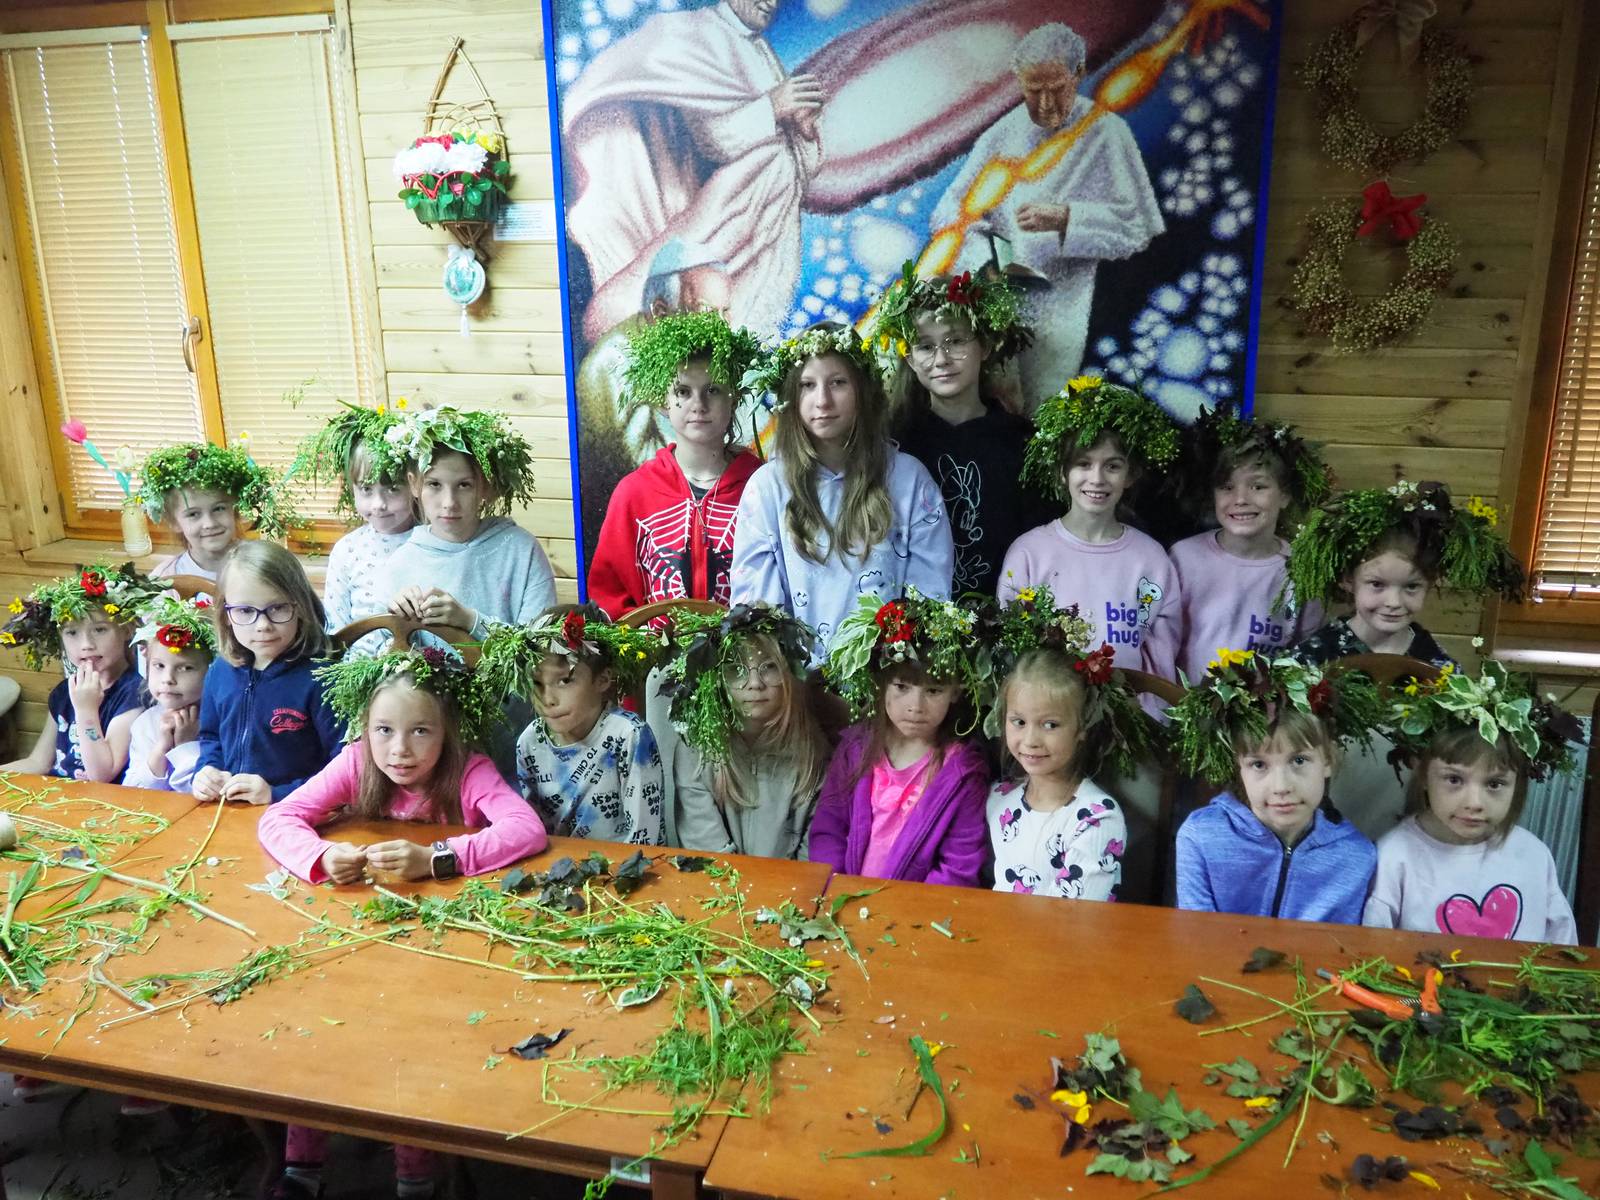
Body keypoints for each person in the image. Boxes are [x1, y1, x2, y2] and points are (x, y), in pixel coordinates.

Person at [259, 649, 546, 1200]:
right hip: (356, 935)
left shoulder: (468, 772)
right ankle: (301, 1168)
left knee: (414, 1044)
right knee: (320, 1026)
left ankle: (415, 1175)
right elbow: (280, 816)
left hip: (439, 943)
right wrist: (321, 856)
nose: (399, 749)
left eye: (420, 731)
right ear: (365, 728)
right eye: (384, 730)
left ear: (448, 731)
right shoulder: (357, 763)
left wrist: (438, 858)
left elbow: (525, 829)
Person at [561, 0, 823, 342]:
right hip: (726, 211)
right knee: (680, 302)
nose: (770, 3)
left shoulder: (760, 49)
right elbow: (712, 141)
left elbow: (799, 163)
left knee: (739, 332)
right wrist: (771, 108)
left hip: (768, 225)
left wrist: (803, 132)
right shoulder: (696, 35)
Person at [931, 22, 1163, 402]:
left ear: (1079, 74)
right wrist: (986, 259)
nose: (1044, 104)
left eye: (1056, 89)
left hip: (1059, 311)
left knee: (1042, 410)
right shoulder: (1004, 132)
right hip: (994, 305)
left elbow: (1137, 228)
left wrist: (1067, 218)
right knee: (993, 407)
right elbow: (951, 213)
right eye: (1033, 90)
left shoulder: (1107, 133)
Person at [731, 323, 954, 659]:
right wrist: (791, 677)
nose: (823, 400)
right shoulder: (767, 488)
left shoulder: (909, 481)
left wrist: (895, 668)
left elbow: (930, 599)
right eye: (808, 385)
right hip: (796, 684)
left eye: (838, 383)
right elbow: (755, 611)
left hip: (889, 678)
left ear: (862, 391)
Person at [1363, 660, 1581, 944]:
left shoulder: (1533, 855)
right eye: (1454, 780)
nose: (1474, 803)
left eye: (1494, 784)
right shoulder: (1394, 857)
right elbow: (1372, 948)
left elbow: (1562, 949)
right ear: (1423, 774)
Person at [1168, 653, 1381, 923]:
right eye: (1259, 764)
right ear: (1239, 767)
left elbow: (1340, 945)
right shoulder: (1200, 837)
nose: (1281, 787)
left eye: (1299, 760)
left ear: (1327, 760)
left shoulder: (1355, 856)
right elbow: (1196, 936)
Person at [997, 376, 1181, 679]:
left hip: (1129, 708)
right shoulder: (1029, 553)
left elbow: (1160, 662)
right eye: (1083, 464)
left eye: (1112, 466)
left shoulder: (1151, 559)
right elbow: (1011, 654)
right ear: (1062, 471)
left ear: (1130, 475)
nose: (1097, 479)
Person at [588, 311, 766, 620]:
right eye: (683, 392)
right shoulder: (634, 494)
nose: (698, 404)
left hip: (744, 648)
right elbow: (609, 598)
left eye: (713, 390)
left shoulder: (762, 487)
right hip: (653, 648)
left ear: (734, 397)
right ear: (663, 400)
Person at [872, 262, 1036, 595]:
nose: (942, 359)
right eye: (925, 346)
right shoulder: (895, 444)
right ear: (909, 358)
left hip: (1006, 616)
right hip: (910, 621)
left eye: (955, 341)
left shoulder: (1020, 442)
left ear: (985, 346)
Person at [807, 590, 988, 886]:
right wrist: (837, 888)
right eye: (902, 687)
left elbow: (958, 865)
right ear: (882, 685)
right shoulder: (856, 749)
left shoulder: (962, 772)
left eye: (933, 691)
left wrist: (906, 908)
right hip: (845, 901)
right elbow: (829, 829)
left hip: (916, 910)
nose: (916, 706)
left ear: (956, 692)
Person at [983, 588, 1153, 900]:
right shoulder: (999, 798)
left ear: (1082, 726)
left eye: (1050, 725)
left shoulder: (1095, 818)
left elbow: (1075, 921)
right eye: (1019, 722)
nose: (1031, 741)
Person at [651, 603, 828, 858]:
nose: (754, 684)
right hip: (718, 879)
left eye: (769, 667)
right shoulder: (696, 751)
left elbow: (812, 858)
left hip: (790, 883)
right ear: (718, 682)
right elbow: (709, 855)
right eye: (736, 669)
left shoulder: (815, 755)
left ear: (789, 675)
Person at [1170, 405, 1331, 684]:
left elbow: (1308, 656)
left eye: (1258, 487)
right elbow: (1162, 644)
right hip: (1185, 704)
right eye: (1227, 487)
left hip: (1267, 709)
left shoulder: (1301, 570)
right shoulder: (1183, 558)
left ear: (1284, 495)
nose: (1241, 499)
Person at [481, 605, 667, 845]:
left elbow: (645, 839)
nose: (548, 699)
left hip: (629, 865)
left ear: (602, 679)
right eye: (537, 683)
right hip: (557, 866)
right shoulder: (530, 741)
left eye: (565, 680)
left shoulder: (630, 736)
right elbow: (534, 832)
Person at [1289, 481, 1523, 667]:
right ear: (1348, 579)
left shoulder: (1435, 662)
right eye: (1377, 584)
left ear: (1430, 582)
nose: (1393, 602)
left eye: (1411, 587)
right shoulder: (1314, 656)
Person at [383, 405, 555, 642]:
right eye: (434, 484)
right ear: (414, 484)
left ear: (484, 486)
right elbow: (381, 650)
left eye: (464, 485)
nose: (449, 503)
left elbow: (543, 644)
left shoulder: (521, 551)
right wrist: (395, 622)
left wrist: (470, 621)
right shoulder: (400, 564)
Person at [191, 542, 342, 805]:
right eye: (245, 611)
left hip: (299, 812)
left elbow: (343, 767)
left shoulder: (322, 679)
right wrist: (207, 771)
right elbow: (211, 737)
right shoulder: (219, 671)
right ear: (226, 614)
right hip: (229, 811)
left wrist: (275, 794)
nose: (263, 625)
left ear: (301, 607)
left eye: (277, 608)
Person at [1, 564, 161, 781]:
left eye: (100, 630)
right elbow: (39, 762)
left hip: (103, 799)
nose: (86, 644)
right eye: (72, 633)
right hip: (59, 794)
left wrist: (86, 710)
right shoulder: (65, 690)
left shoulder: (135, 693)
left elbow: (102, 776)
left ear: (126, 630)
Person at [287, 399, 413, 653]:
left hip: (418, 665)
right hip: (357, 665)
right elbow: (335, 626)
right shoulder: (348, 549)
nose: (379, 504)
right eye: (366, 489)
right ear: (351, 489)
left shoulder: (430, 541)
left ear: (414, 485)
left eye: (392, 489)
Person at [134, 441, 297, 583]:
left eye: (219, 509)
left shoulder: (266, 568)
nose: (209, 523)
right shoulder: (165, 579)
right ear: (174, 522)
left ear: (236, 510)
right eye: (193, 514)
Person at [123, 596, 213, 792]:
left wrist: (185, 745)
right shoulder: (146, 723)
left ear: (211, 670)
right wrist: (162, 747)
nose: (168, 679)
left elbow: (206, 793)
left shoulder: (218, 723)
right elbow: (132, 791)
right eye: (159, 666)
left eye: (185, 668)